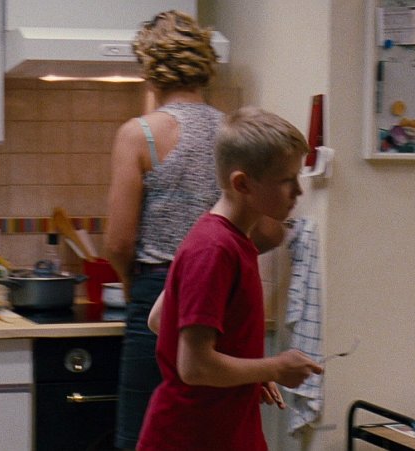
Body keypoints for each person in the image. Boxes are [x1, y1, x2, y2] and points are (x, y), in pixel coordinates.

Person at [104, 10, 284, 450]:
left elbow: (118, 242)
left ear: (150, 71)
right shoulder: (236, 133)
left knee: (147, 434)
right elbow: (269, 231)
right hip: (224, 300)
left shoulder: (140, 135)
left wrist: (132, 287)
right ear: (204, 64)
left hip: (159, 295)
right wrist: (229, 258)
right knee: (219, 434)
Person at [137, 106, 324, 451]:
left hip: (223, 430)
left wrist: (251, 374)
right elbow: (194, 368)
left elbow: (160, 318)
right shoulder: (214, 249)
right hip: (191, 438)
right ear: (243, 184)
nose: (298, 192)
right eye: (286, 180)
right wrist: (273, 367)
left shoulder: (232, 241)